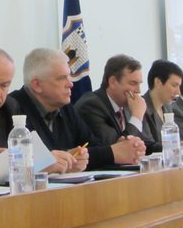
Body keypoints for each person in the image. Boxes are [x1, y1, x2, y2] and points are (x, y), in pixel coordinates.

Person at [10, 48, 145, 169]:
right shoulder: (13, 107)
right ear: (37, 85)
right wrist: (112, 152)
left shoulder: (65, 108)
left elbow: (93, 145)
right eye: (62, 78)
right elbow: (36, 158)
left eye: (69, 77)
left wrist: (111, 150)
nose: (70, 84)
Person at [75, 54, 156, 153]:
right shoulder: (91, 106)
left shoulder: (126, 104)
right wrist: (137, 116)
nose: (138, 91)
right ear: (113, 82)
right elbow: (118, 148)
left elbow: (145, 142)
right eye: (133, 83)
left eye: (139, 84)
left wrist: (170, 148)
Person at [143, 60, 183, 148]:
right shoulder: (141, 108)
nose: (178, 92)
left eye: (179, 86)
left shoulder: (168, 108)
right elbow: (148, 145)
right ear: (158, 82)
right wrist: (173, 146)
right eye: (174, 85)